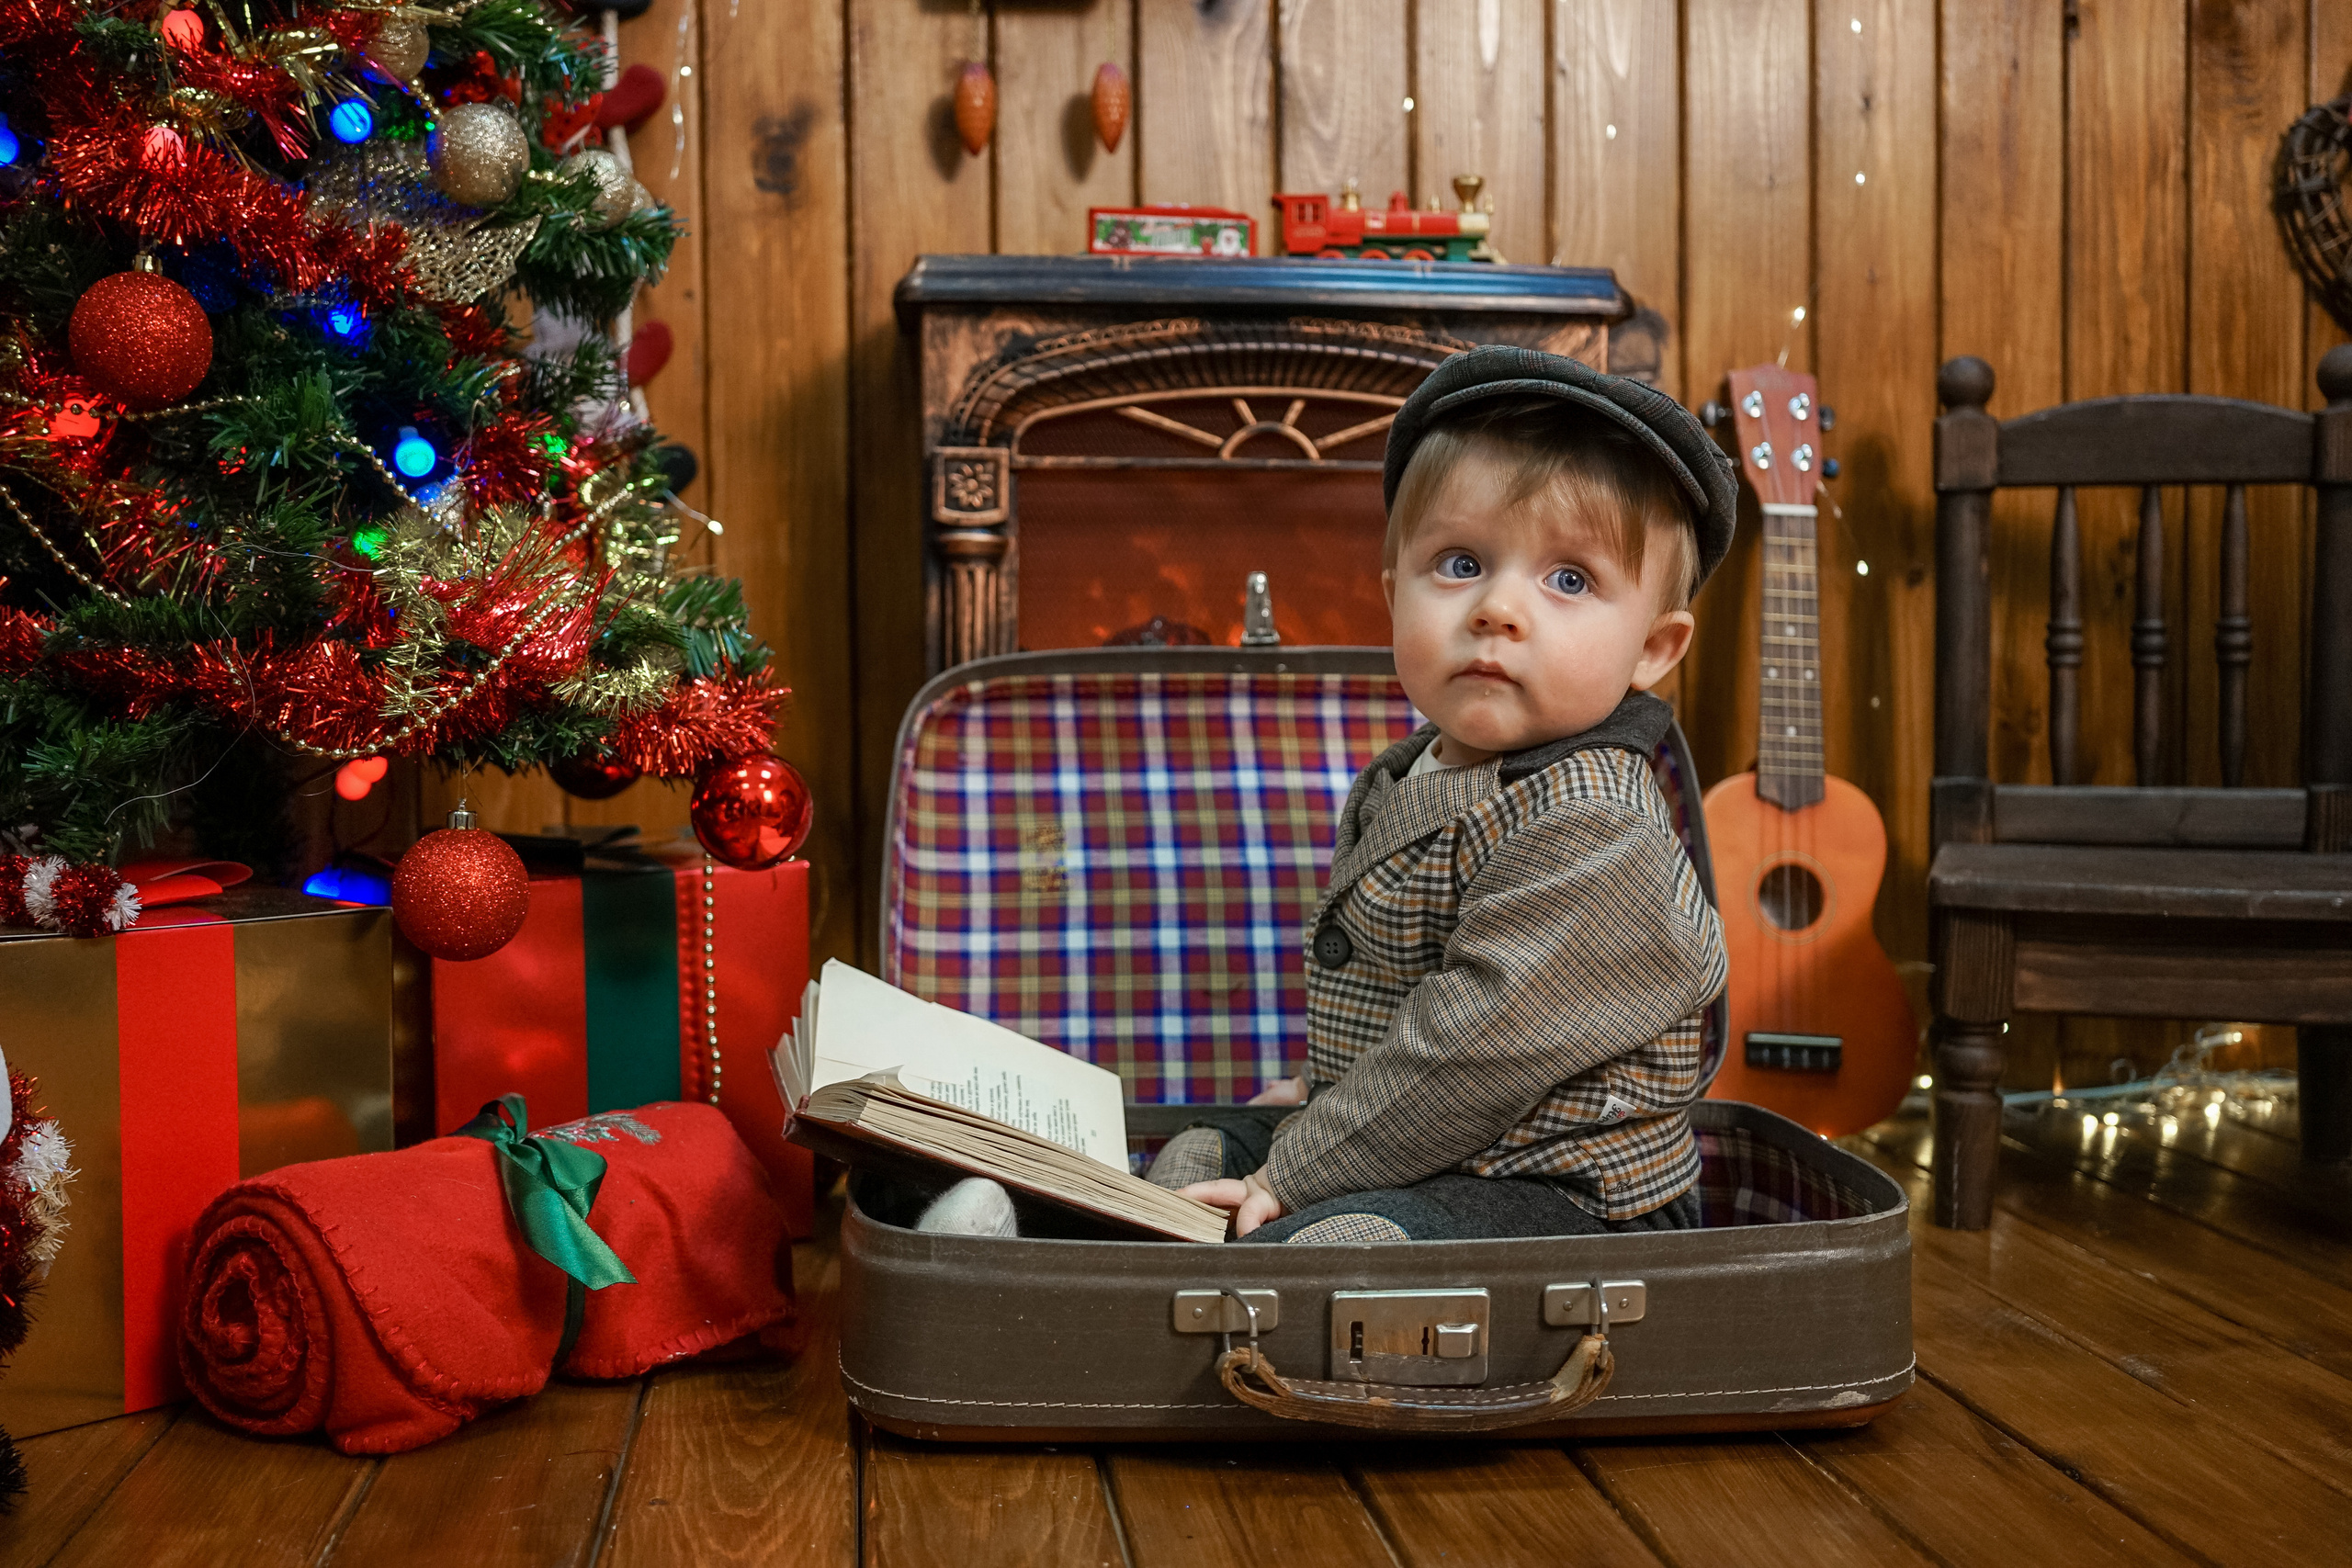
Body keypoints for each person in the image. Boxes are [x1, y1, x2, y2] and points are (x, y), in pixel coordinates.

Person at [1148, 344, 1736, 1244]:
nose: (1498, 608)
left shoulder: (1596, 826)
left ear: (1653, 649)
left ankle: (1261, 1250)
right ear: (1395, 599)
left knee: (1344, 1234)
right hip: (1424, 1139)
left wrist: (1298, 1168)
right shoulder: (1420, 768)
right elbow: (1401, 996)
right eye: (1460, 563)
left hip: (1564, 1191)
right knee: (1205, 1144)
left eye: (1569, 579)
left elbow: (1466, 1053)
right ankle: (1094, 1231)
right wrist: (1319, 1094)